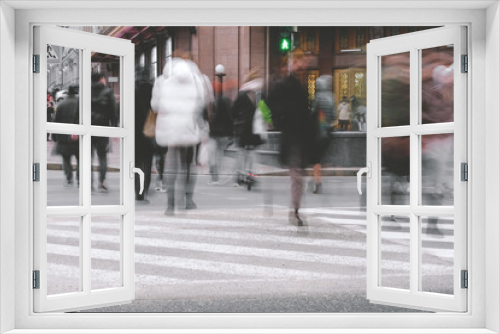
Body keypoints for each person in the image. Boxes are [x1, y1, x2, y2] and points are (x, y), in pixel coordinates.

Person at [151, 58, 209, 216]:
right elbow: (202, 103)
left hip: (171, 131)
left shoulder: (164, 82)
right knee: (188, 165)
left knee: (171, 167)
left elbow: (155, 105)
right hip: (189, 130)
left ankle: (170, 206)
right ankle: (188, 200)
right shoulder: (195, 81)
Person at [268, 50, 311, 226]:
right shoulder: (285, 85)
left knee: (299, 176)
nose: (301, 66)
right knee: (297, 176)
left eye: (303, 63)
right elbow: (267, 104)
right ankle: (295, 211)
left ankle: (295, 210)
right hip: (292, 137)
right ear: (290, 64)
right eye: (297, 62)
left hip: (299, 137)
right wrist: (277, 122)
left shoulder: (300, 86)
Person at [231, 68, 266, 187]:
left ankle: (239, 175)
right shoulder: (259, 93)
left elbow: (234, 111)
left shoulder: (242, 92)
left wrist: (238, 118)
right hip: (255, 127)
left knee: (241, 152)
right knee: (253, 152)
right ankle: (251, 175)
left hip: (243, 127)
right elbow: (264, 109)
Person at [91, 72, 117, 192]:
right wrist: (114, 127)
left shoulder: (85, 90)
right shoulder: (108, 92)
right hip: (103, 127)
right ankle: (101, 182)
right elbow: (113, 111)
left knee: (87, 157)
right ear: (101, 79)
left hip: (87, 128)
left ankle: (89, 183)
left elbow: (78, 109)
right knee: (102, 156)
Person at [309, 75, 335, 194]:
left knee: (315, 159)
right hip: (328, 132)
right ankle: (313, 179)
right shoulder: (332, 97)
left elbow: (313, 113)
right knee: (319, 157)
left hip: (318, 132)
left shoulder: (318, 97)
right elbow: (334, 116)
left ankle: (317, 182)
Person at [53, 85, 79, 187]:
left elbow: (56, 121)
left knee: (66, 159)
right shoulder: (80, 104)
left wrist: (55, 136)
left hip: (64, 138)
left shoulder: (61, 104)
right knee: (80, 158)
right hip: (78, 136)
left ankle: (69, 178)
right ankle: (79, 178)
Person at [134, 68, 154, 201]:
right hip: (150, 131)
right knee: (147, 162)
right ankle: (145, 187)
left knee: (137, 163)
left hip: (134, 132)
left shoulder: (132, 91)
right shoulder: (154, 91)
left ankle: (138, 191)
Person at [207, 84, 233, 185]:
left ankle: (214, 178)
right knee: (219, 156)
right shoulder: (227, 103)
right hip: (223, 134)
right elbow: (230, 120)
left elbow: (208, 118)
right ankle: (217, 178)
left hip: (214, 134)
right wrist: (231, 135)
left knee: (212, 156)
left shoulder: (212, 104)